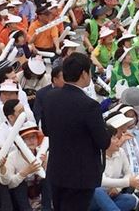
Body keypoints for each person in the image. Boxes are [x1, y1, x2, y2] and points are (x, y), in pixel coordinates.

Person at [41, 53, 112, 211]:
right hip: (81, 176)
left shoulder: (49, 97)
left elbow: (45, 130)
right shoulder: (89, 106)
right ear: (84, 74)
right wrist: (108, 128)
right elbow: (103, 141)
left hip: (57, 170)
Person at [90, 124, 139, 211]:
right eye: (114, 138)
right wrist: (127, 182)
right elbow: (101, 180)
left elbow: (128, 173)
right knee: (97, 190)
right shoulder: (95, 155)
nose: (118, 140)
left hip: (112, 195)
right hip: (95, 197)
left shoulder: (121, 152)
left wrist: (118, 188)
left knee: (130, 199)